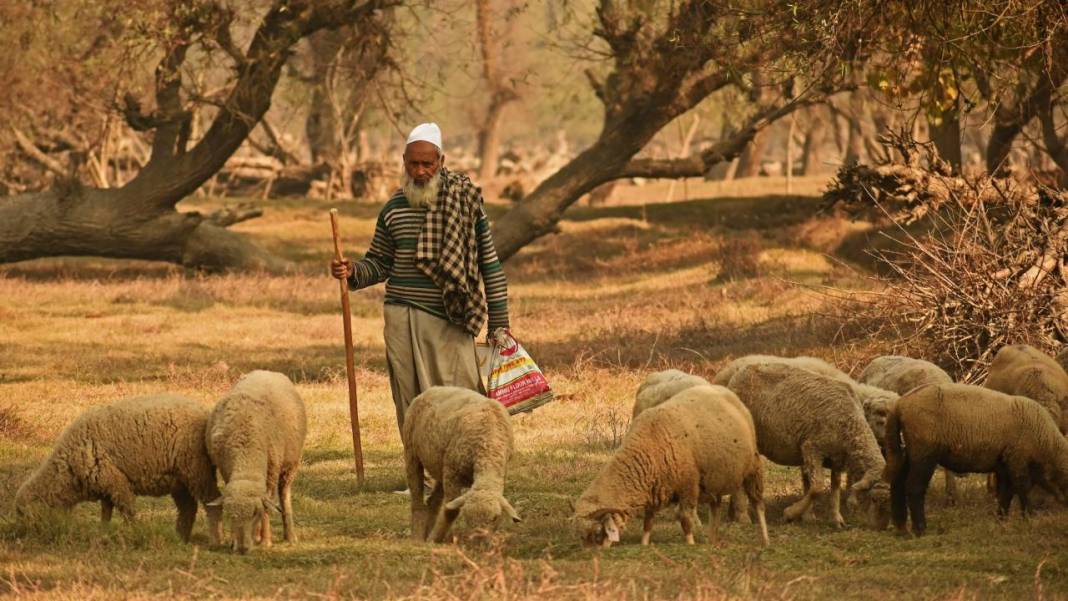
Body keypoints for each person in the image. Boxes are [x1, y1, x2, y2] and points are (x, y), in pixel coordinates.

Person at [330, 122, 510, 441]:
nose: (421, 170)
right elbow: (380, 262)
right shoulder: (394, 209)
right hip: (400, 316)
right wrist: (354, 270)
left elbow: (490, 264)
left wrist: (500, 321)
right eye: (414, 163)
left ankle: (466, 466)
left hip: (449, 316)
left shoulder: (465, 202)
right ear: (404, 161)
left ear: (441, 161)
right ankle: (422, 476)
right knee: (410, 400)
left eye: (428, 163)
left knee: (460, 397)